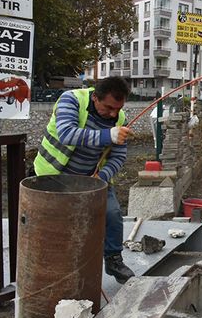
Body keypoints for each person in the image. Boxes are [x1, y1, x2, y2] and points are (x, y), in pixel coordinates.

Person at [33, 77, 135, 283]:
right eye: (108, 107)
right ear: (95, 97)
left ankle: (114, 260)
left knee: (113, 213)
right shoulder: (71, 100)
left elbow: (119, 156)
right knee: (58, 222)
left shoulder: (119, 118)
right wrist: (108, 135)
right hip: (55, 175)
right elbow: (66, 134)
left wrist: (102, 177)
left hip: (92, 179)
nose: (113, 113)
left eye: (118, 108)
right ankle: (53, 265)